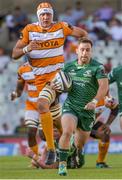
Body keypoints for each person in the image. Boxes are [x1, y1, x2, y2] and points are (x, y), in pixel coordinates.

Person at [12, 1, 88, 165]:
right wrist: (27, 49)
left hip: (57, 77)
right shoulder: (29, 30)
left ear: (52, 15)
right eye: (43, 14)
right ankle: (73, 147)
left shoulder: (61, 27)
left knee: (41, 105)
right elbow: (14, 54)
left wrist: (79, 53)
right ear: (38, 16)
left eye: (48, 14)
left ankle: (52, 150)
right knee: (55, 117)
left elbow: (82, 33)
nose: (46, 17)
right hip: (40, 81)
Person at [57, 37, 108, 176]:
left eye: (88, 50)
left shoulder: (98, 67)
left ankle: (77, 149)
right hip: (71, 106)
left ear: (91, 52)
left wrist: (95, 101)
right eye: (82, 49)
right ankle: (62, 165)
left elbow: (104, 86)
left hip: (88, 111)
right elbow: (58, 83)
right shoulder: (68, 67)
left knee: (80, 144)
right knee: (67, 132)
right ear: (77, 51)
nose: (85, 53)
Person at [10, 61, 62, 168]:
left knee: (43, 135)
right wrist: (15, 94)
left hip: (46, 104)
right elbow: (19, 89)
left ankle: (54, 154)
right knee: (30, 132)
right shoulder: (22, 69)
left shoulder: (47, 66)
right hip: (32, 105)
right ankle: (36, 159)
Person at [90, 95, 119, 168]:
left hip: (91, 124)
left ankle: (100, 162)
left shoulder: (106, 98)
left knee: (105, 133)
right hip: (79, 125)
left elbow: (115, 107)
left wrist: (108, 124)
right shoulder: (86, 95)